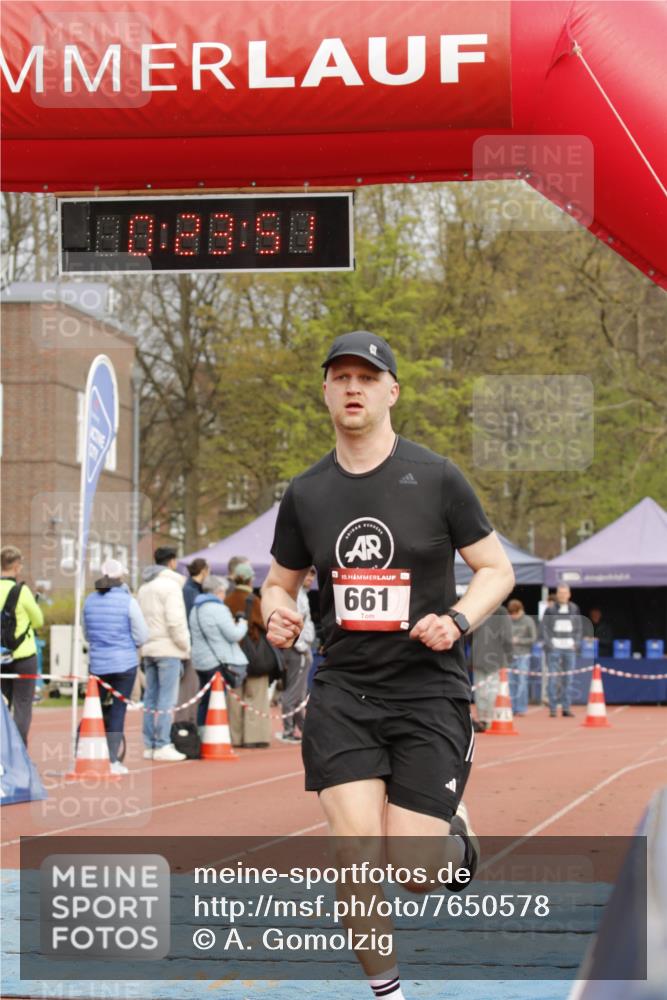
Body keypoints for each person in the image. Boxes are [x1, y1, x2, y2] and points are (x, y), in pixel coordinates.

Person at [261, 331, 514, 999]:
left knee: (415, 868)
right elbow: (278, 580)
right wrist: (275, 611)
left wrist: (458, 618)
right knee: (351, 852)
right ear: (324, 391)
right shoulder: (307, 492)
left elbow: (497, 569)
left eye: (366, 378)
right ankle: (387, 993)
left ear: (390, 391)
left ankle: (453, 837)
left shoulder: (435, 477)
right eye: (340, 376)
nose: (352, 387)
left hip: (427, 690)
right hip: (344, 694)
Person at [82, 558, 149, 774]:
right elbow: (142, 634)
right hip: (124, 663)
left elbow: (86, 633)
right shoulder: (128, 601)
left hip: (98, 663)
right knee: (118, 711)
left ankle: (80, 749)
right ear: (122, 577)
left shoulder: (89, 600)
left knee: (93, 708)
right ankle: (112, 760)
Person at [137, 546, 191, 760]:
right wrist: (185, 646)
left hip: (149, 647)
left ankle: (150, 744)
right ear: (172, 562)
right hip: (168, 648)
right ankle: (163, 744)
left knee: (150, 698)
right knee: (167, 699)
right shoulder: (171, 586)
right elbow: (175, 621)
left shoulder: (144, 588)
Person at [189, 574, 248, 738]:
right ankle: (215, 738)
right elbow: (234, 635)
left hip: (200, 660)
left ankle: (202, 735)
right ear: (217, 591)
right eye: (223, 592)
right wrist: (242, 623)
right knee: (217, 701)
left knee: (205, 700)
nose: (224, 595)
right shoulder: (219, 609)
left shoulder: (195, 608)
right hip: (216, 661)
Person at [225, 561, 274, 748]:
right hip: (254, 655)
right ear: (249, 579)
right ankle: (254, 737)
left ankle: (235, 737)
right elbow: (263, 624)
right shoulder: (253, 600)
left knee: (235, 697)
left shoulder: (227, 599)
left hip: (232, 654)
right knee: (255, 695)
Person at [0, 546, 44, 747]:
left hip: (1, 656)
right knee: (22, 705)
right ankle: (18, 751)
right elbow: (38, 621)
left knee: (2, 705)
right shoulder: (22, 591)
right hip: (24, 655)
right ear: (16, 566)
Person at [277, 566, 316, 743]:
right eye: (308, 574)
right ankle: (288, 729)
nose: (311, 578)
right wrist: (299, 646)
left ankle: (303, 728)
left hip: (302, 647)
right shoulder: (296, 596)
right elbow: (293, 622)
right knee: (293, 692)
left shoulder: (303, 595)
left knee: (299, 693)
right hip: (298, 649)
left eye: (313, 575)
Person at [541, 583, 583, 718]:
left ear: (569, 594)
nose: (563, 595)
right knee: (553, 678)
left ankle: (566, 707)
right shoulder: (550, 610)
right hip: (554, 648)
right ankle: (553, 708)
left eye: (565, 593)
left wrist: (576, 643)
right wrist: (550, 644)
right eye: (560, 593)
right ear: (557, 594)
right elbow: (544, 628)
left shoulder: (574, 608)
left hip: (569, 649)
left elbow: (579, 627)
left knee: (568, 679)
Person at [471, 604, 514, 730]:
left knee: (480, 688)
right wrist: (510, 654)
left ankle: (482, 718)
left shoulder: (479, 608)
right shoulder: (502, 612)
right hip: (495, 655)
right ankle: (489, 718)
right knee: (492, 688)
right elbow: (507, 636)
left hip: (477, 653)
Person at [507, 598, 538, 716]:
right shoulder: (508, 620)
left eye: (515, 613)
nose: (513, 616)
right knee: (511, 683)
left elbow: (533, 638)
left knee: (522, 682)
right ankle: (512, 708)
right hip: (510, 656)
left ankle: (521, 708)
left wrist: (518, 641)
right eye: (511, 613)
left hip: (523, 656)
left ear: (521, 610)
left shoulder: (528, 620)